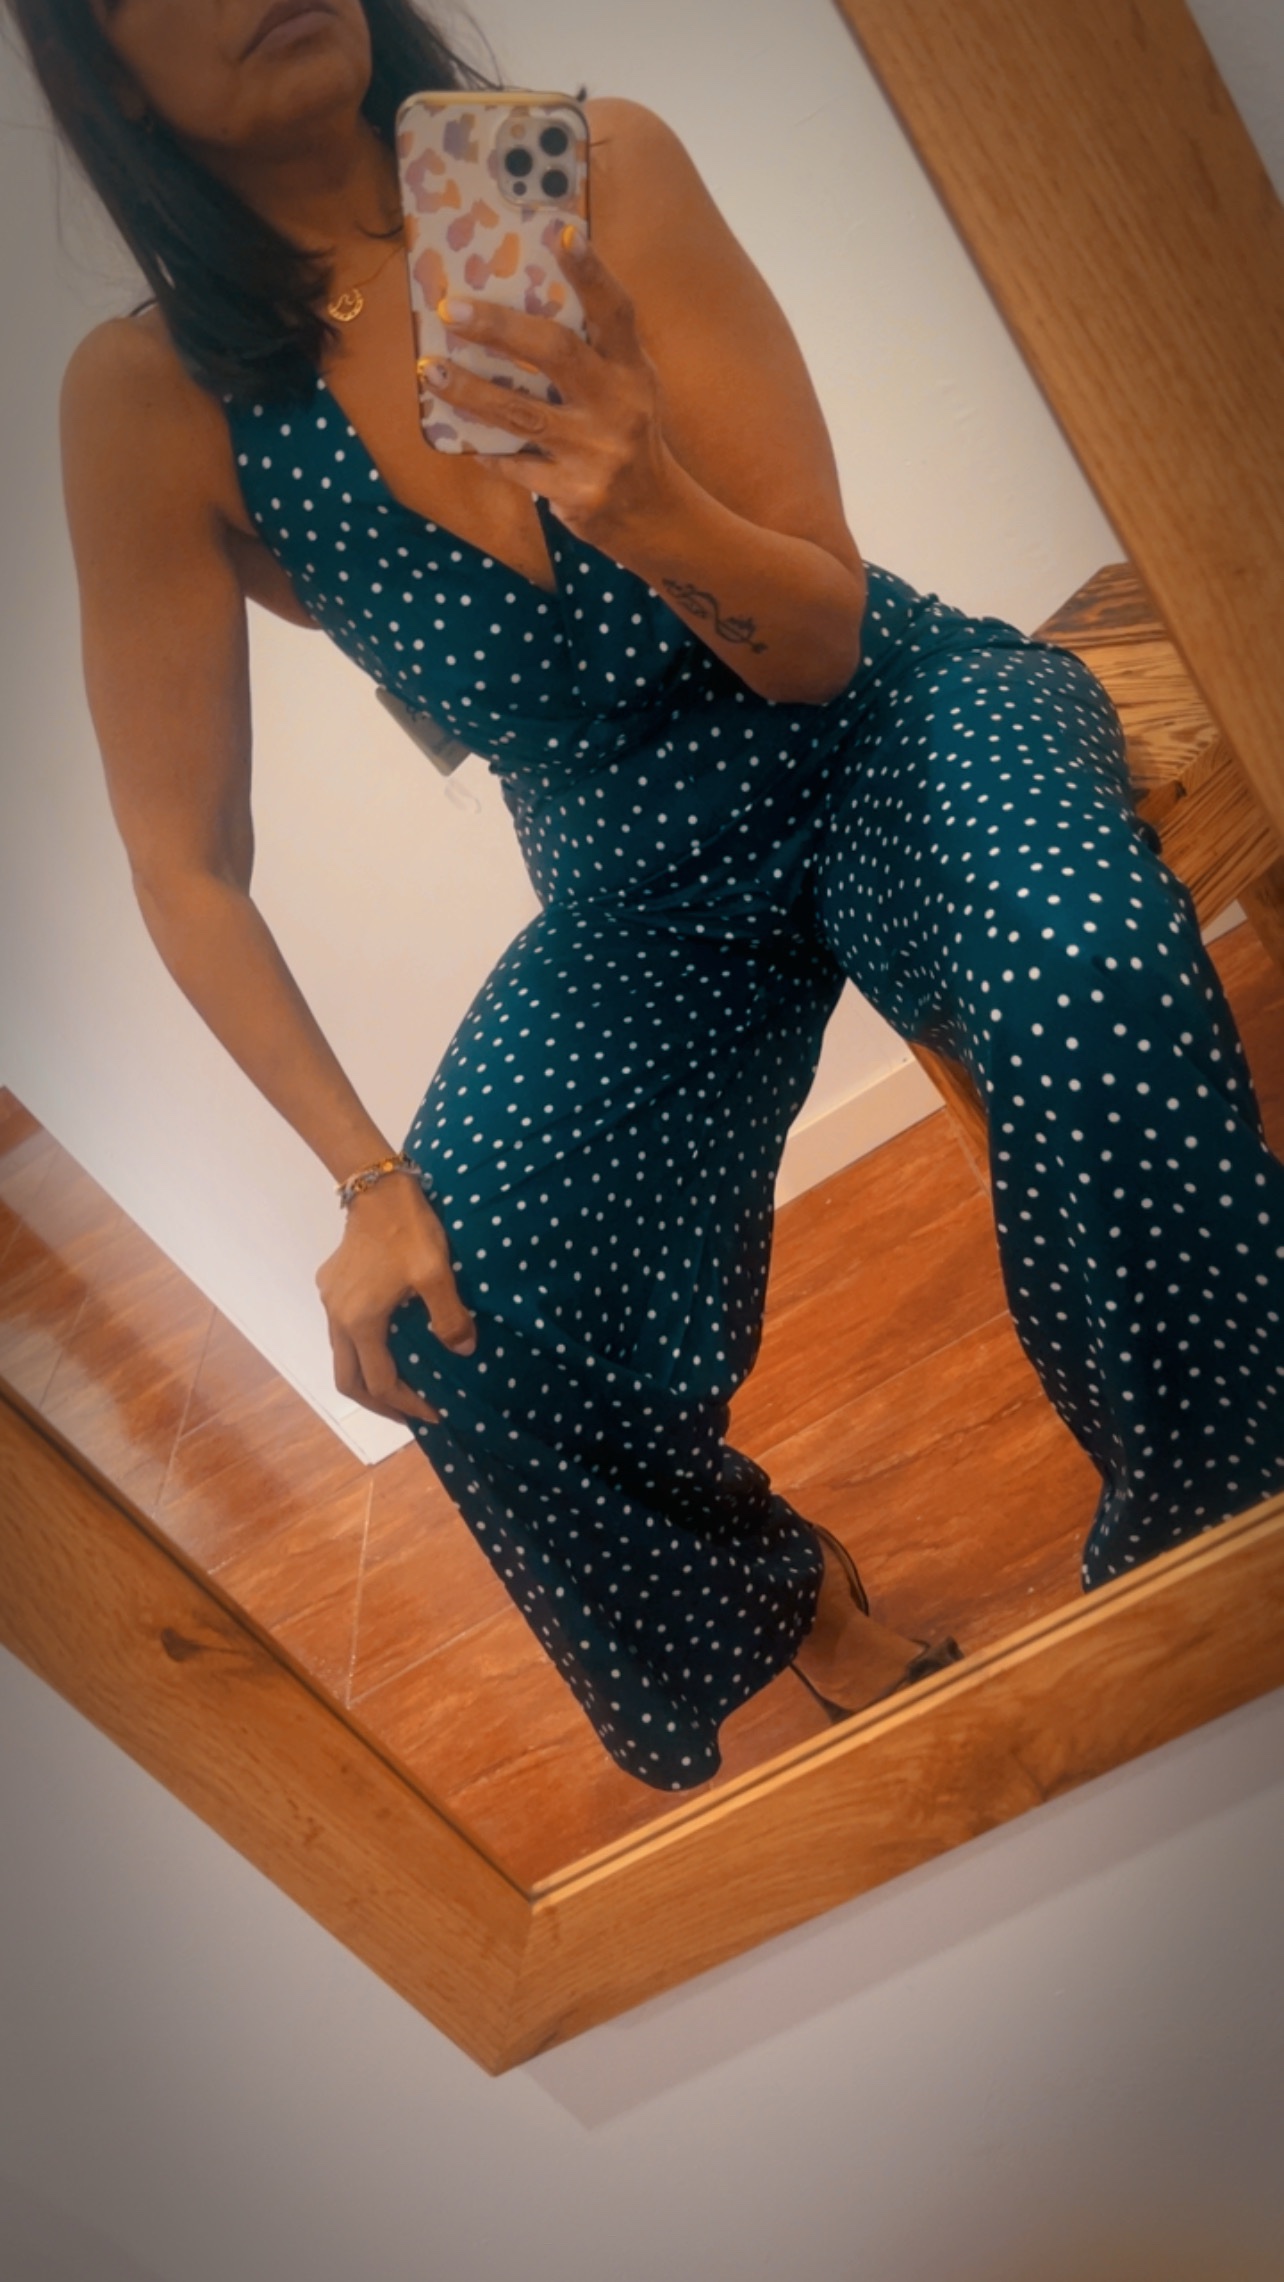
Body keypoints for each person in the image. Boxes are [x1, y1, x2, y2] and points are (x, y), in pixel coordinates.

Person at [14, 0, 1284, 1792]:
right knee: (437, 1322)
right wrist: (365, 1179)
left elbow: (823, 633)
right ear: (102, 67)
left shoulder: (596, 170)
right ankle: (785, 1606)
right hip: (636, 883)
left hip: (883, 720)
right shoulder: (154, 401)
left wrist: (643, 497)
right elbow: (184, 863)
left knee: (1086, 969)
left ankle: (1220, 1522)